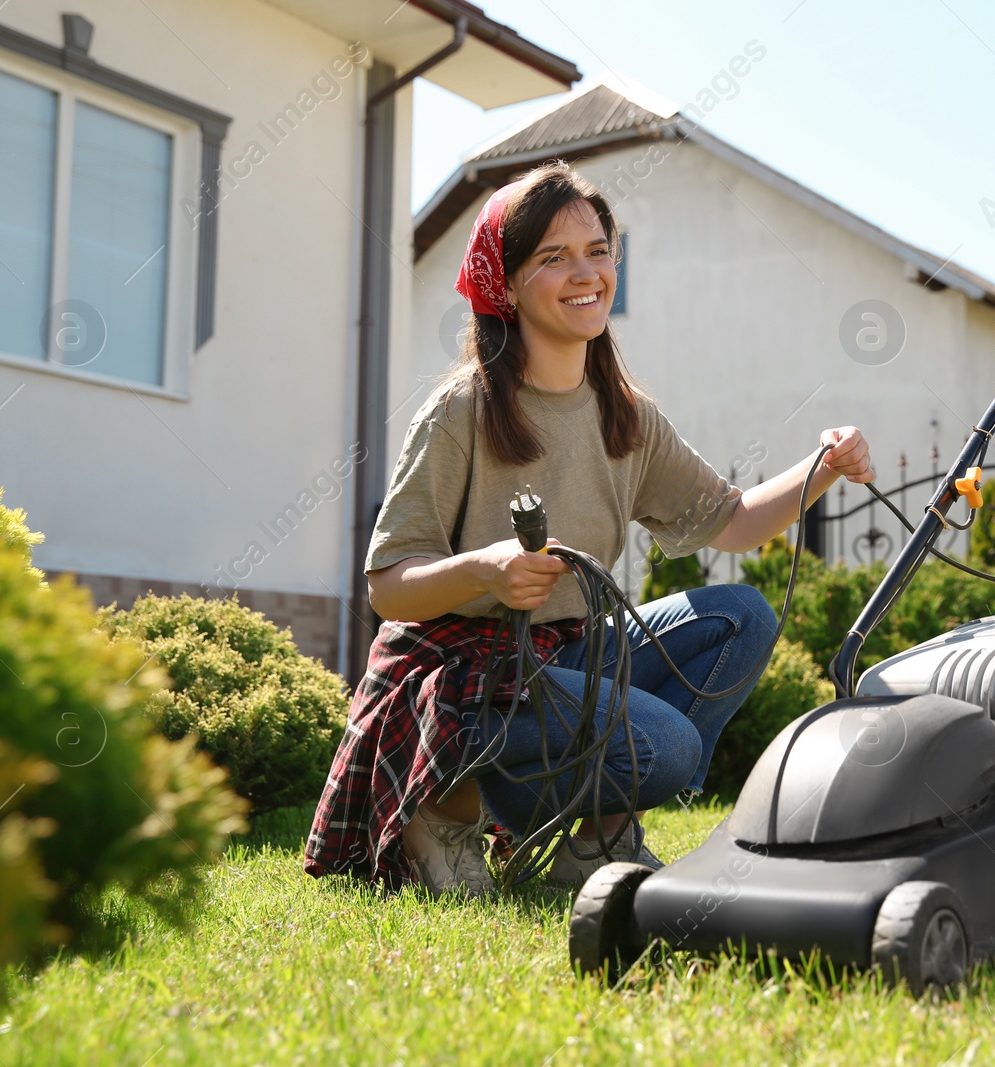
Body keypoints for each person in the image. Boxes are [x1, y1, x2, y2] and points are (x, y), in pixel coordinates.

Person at [303, 162, 874, 897]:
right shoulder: (460, 414)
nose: (587, 272)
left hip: (562, 659)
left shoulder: (626, 416)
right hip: (457, 678)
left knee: (740, 617)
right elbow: (388, 587)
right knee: (667, 744)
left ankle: (596, 844)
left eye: (598, 250)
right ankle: (443, 811)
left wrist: (823, 466)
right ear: (504, 285)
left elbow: (731, 520)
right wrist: (486, 571)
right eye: (554, 256)